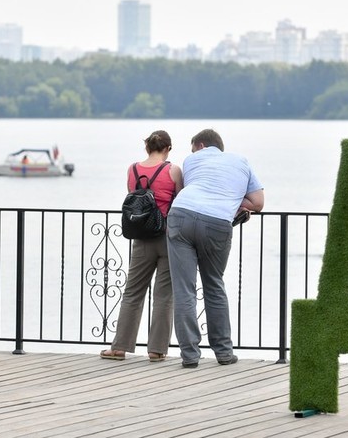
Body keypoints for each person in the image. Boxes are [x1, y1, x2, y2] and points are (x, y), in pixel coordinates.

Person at [167, 129, 264, 368]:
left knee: (184, 289)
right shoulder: (241, 161)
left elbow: (193, 188)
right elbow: (258, 203)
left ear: (200, 146)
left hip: (181, 215)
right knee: (214, 285)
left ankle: (190, 355)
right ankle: (223, 352)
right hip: (217, 223)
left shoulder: (191, 160)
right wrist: (233, 198)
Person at [101, 130, 183, 362]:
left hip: (141, 237)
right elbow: (180, 199)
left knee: (133, 292)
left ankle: (119, 348)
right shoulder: (173, 170)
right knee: (164, 295)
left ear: (147, 147)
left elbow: (133, 195)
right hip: (168, 236)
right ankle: (157, 350)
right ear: (168, 148)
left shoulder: (133, 169)